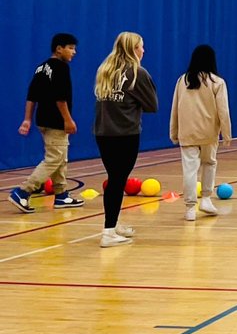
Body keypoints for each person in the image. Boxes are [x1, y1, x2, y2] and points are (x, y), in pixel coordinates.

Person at [93, 32, 158, 247]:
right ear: (133, 49)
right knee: (117, 181)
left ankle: (114, 222)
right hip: (125, 134)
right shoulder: (138, 72)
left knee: (114, 179)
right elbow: (152, 105)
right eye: (141, 47)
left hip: (103, 133)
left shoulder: (105, 70)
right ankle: (108, 232)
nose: (143, 51)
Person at [10, 32, 83, 212]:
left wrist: (27, 119)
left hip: (42, 119)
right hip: (56, 120)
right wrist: (68, 120)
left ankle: (61, 195)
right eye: (71, 48)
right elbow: (61, 98)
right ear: (59, 49)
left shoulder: (41, 68)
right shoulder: (61, 67)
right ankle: (23, 192)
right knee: (54, 159)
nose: (74, 52)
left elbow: (31, 96)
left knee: (60, 158)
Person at [169, 45, 232, 222]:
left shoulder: (183, 80)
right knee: (209, 164)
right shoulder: (217, 82)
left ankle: (190, 208)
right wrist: (226, 134)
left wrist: (173, 131)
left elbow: (175, 108)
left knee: (189, 170)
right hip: (209, 133)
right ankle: (205, 199)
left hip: (187, 133)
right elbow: (223, 111)